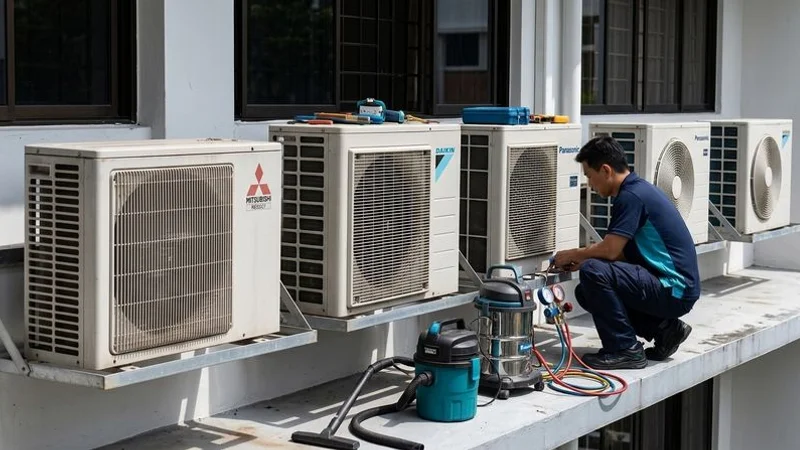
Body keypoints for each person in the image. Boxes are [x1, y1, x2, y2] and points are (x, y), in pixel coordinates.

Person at [553, 135, 699, 370]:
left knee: (593, 271)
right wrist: (582, 261)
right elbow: (623, 254)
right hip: (677, 289)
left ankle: (624, 349)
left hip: (673, 288)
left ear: (606, 170)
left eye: (589, 176)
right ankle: (665, 330)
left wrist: (575, 254)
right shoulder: (638, 190)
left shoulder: (631, 197)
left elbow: (610, 251)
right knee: (586, 291)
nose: (589, 184)